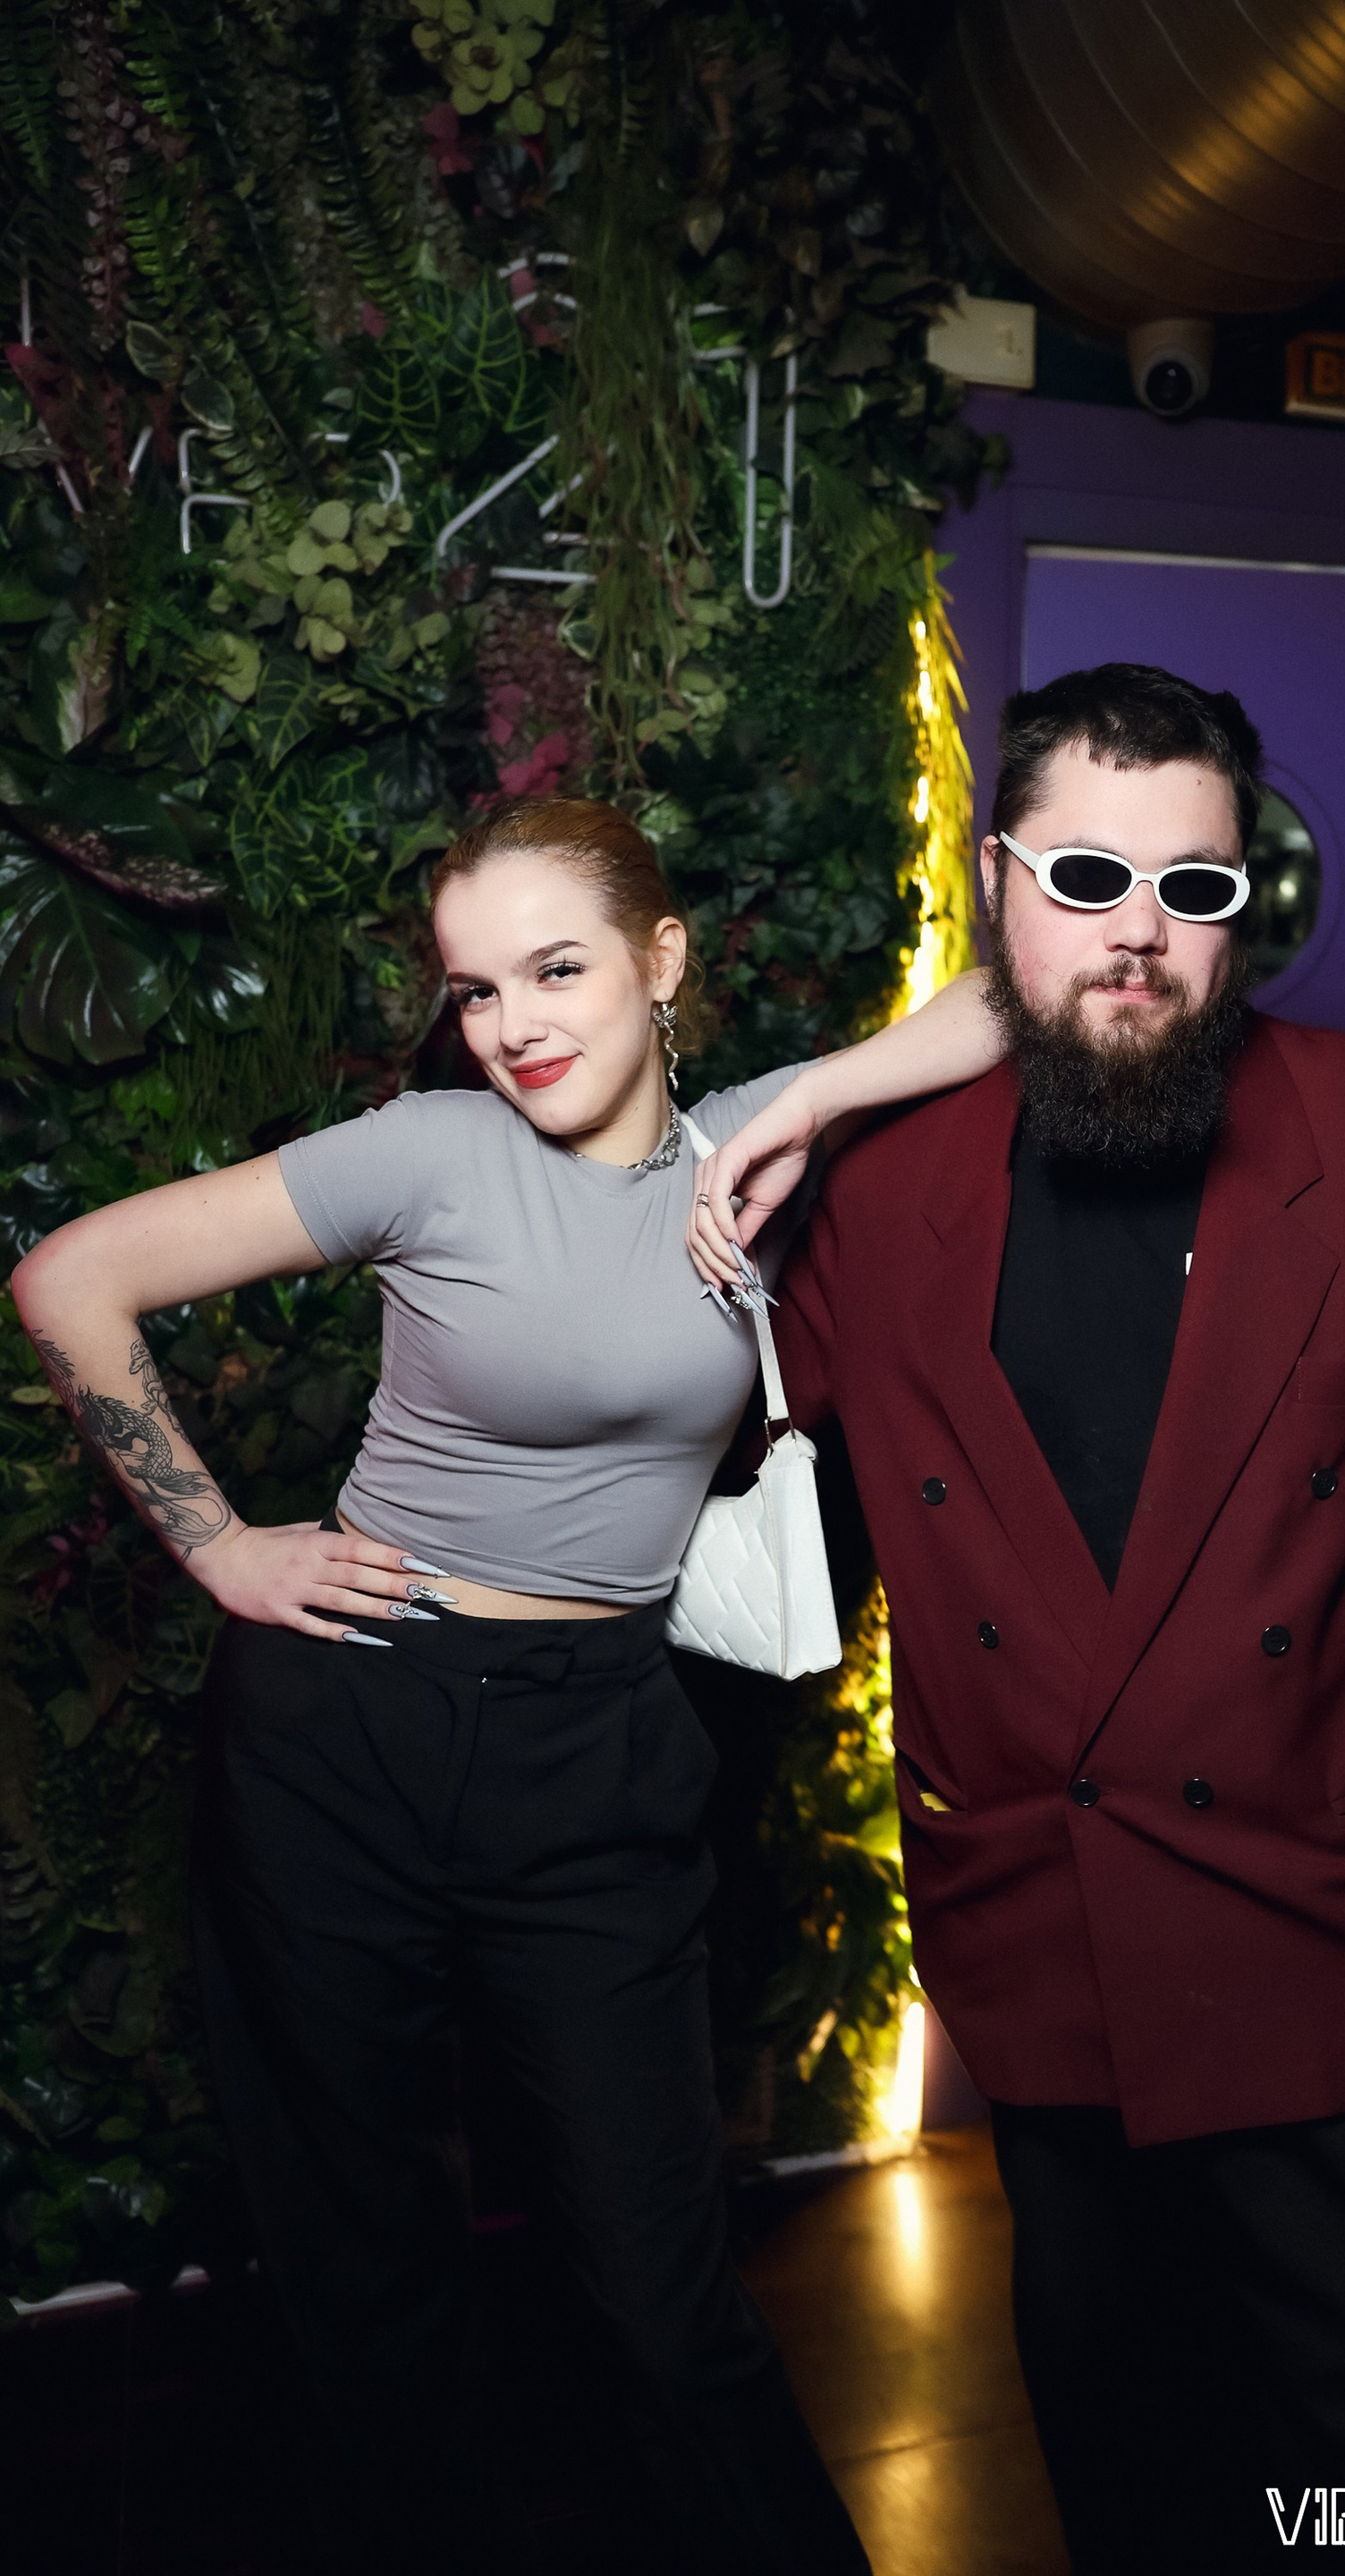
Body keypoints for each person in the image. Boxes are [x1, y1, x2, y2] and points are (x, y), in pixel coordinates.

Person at [11, 795, 1005, 2576]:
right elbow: (71, 1278)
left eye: (556, 970)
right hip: (344, 1729)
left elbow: (1026, 992)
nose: (513, 1024)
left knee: (659, 2286)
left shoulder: (751, 1147)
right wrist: (220, 1547)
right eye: (476, 990)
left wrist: (819, 1103)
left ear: (661, 958)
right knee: (365, 2276)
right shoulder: (436, 1153)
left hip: (597, 1747)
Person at [689, 665, 1345, 2571]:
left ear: (1241, 907)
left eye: (1193, 888)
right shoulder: (874, 1184)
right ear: (994, 879)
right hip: (1055, 1950)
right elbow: (698, 1395)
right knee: (1122, 2462)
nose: (1138, 934)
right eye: (1087, 876)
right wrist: (839, 1083)